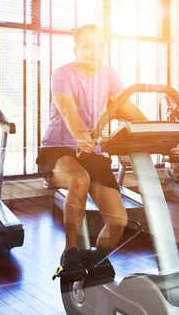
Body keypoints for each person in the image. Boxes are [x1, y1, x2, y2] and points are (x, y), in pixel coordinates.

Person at [37, 24, 147, 280]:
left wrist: (156, 130)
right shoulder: (62, 73)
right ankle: (70, 251)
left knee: (118, 220)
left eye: (98, 45)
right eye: (86, 45)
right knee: (79, 179)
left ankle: (93, 259)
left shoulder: (110, 74)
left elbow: (128, 108)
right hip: (59, 148)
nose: (93, 51)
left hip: (91, 152)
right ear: (76, 48)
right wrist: (80, 135)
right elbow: (67, 109)